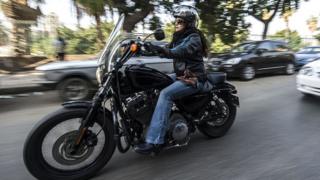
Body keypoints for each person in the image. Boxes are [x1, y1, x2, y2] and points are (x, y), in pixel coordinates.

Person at [134, 5, 208, 154]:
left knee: (165, 94)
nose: (176, 24)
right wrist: (144, 49)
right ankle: (151, 123)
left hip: (194, 77)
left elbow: (179, 51)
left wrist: (163, 50)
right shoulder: (179, 38)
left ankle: (155, 141)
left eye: (180, 21)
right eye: (176, 21)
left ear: (189, 23)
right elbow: (165, 49)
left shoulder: (194, 37)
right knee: (156, 81)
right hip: (181, 75)